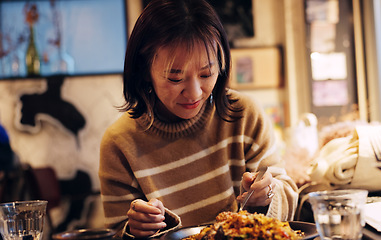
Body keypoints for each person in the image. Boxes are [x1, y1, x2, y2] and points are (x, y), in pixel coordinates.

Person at [98, 0, 299, 238]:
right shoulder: (119, 144)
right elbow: (116, 232)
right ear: (144, 69)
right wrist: (135, 229)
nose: (194, 93)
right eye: (175, 78)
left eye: (206, 73)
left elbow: (288, 202)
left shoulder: (244, 116)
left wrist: (266, 196)